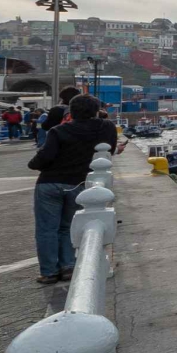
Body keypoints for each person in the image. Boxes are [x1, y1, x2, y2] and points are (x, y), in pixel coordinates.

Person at [27, 95, 118, 284]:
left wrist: (33, 162)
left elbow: (44, 158)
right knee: (69, 226)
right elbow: (110, 149)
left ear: (71, 112)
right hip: (78, 183)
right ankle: (68, 266)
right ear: (96, 111)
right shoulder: (106, 127)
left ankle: (49, 272)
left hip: (50, 183)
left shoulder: (58, 131)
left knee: (47, 229)